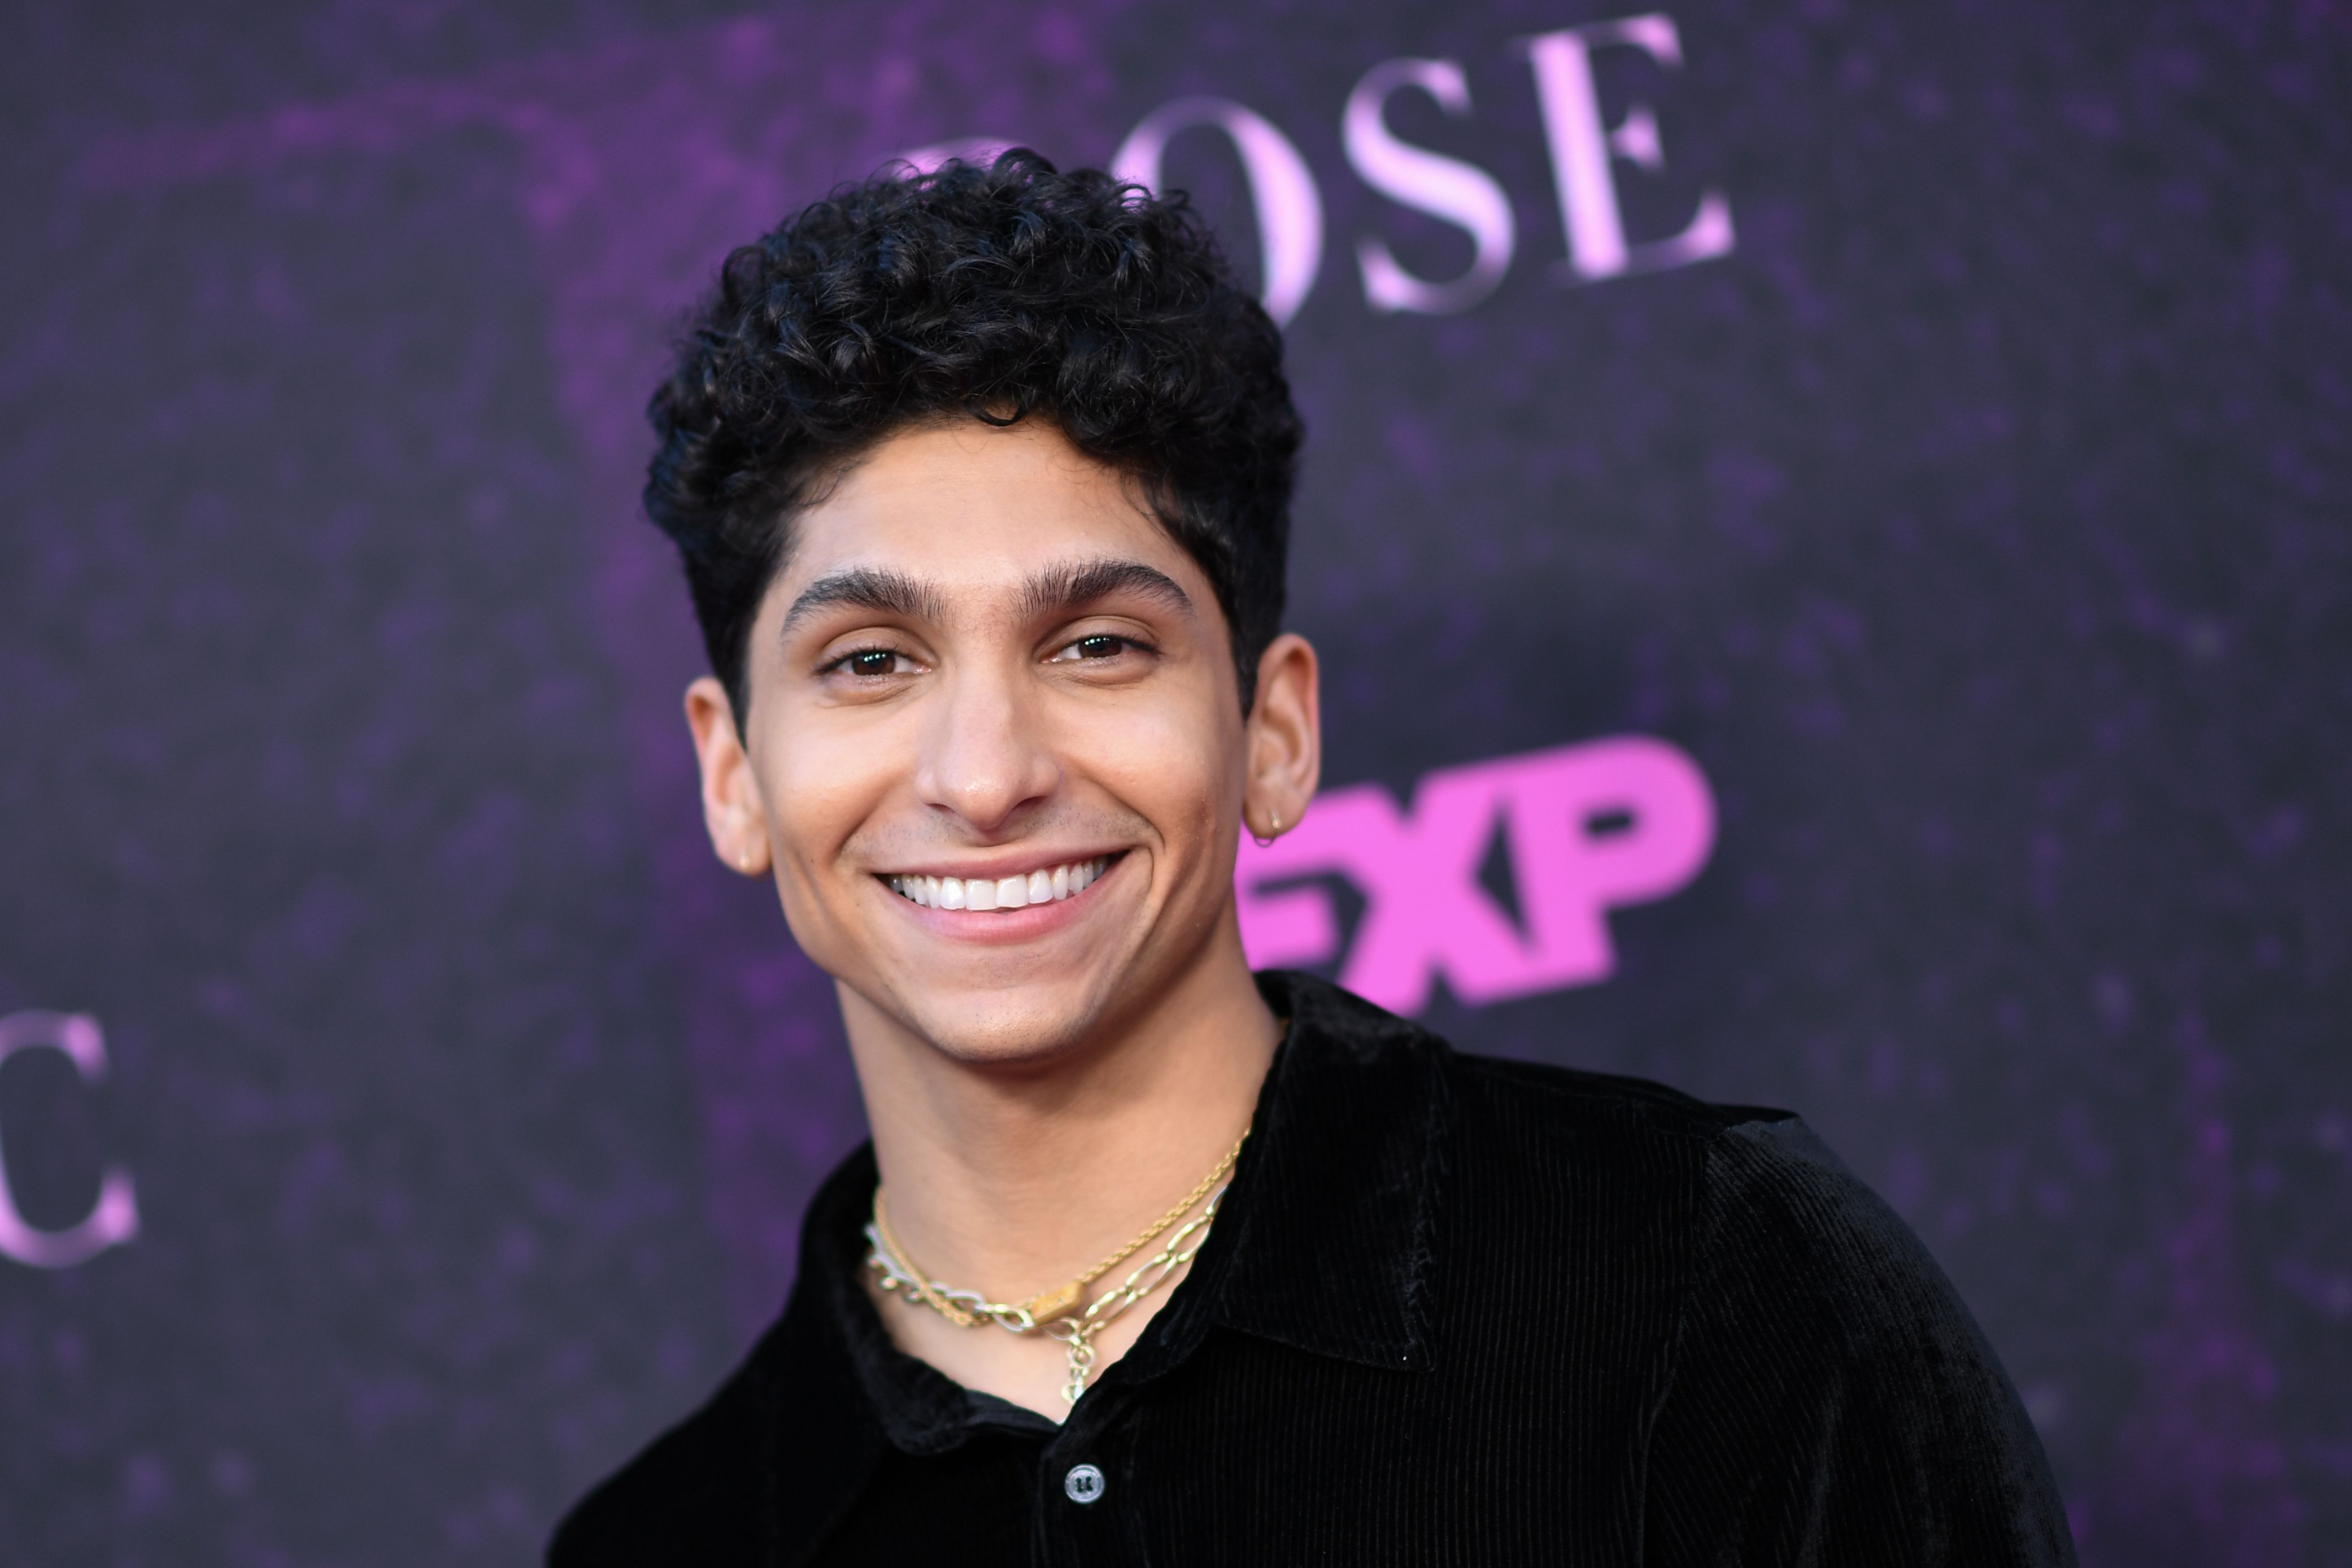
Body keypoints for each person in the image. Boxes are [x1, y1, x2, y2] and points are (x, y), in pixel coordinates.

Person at [548, 152, 2075, 1565]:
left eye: (1096, 645)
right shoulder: (662, 1548)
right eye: (872, 662)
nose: (988, 775)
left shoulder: (1714, 1281)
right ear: (734, 776)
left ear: (1272, 732)